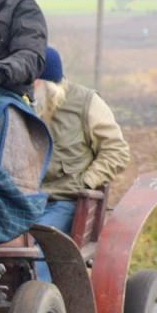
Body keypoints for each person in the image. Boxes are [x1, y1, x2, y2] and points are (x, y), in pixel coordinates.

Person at [34, 46, 131, 235]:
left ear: (44, 83)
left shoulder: (86, 102)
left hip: (64, 202)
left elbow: (117, 151)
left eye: (32, 82)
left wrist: (85, 182)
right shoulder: (20, 103)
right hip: (23, 201)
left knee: (38, 244)